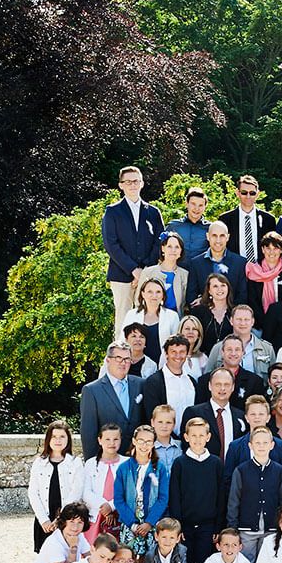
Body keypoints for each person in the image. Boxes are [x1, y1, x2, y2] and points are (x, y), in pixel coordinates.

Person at [102, 165, 165, 335]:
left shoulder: (153, 212)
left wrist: (143, 271)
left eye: (136, 181)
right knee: (123, 319)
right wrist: (133, 270)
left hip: (148, 274)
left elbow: (159, 242)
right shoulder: (112, 212)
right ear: (121, 185)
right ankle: (121, 357)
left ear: (142, 183)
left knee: (146, 318)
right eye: (128, 182)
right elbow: (111, 244)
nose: (132, 185)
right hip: (121, 274)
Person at [227, 427, 282, 563]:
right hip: (247, 529)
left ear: (272, 445)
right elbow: (234, 501)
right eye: (257, 443)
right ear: (250, 445)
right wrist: (233, 527)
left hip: (271, 528)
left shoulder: (279, 471)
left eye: (265, 443)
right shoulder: (241, 470)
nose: (261, 446)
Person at [167, 417, 223, 563]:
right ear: (186, 437)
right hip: (185, 527)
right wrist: (178, 527)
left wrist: (217, 527)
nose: (197, 439)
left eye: (201, 435)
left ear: (208, 437)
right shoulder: (180, 463)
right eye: (193, 435)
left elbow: (221, 497)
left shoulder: (216, 463)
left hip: (208, 527)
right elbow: (175, 496)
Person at [79, 342, 145, 460]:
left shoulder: (141, 384)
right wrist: (93, 464)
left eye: (126, 359)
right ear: (108, 360)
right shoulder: (92, 390)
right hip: (108, 460)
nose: (123, 363)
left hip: (138, 458)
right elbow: (88, 433)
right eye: (118, 358)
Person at [113, 424, 169, 557]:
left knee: (150, 559)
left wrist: (149, 522)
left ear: (153, 444)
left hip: (152, 521)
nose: (144, 445)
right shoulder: (124, 468)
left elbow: (163, 498)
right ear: (134, 441)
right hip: (129, 520)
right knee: (127, 557)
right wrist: (132, 524)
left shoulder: (159, 468)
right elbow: (119, 499)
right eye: (141, 441)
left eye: (149, 442)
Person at [29, 420, 84, 554]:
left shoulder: (75, 463)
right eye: (54, 437)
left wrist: (60, 519)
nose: (58, 440)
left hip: (67, 518)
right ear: (48, 439)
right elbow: (33, 492)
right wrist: (44, 520)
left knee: (66, 555)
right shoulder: (39, 463)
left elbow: (76, 491)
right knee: (46, 557)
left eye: (62, 437)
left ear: (68, 439)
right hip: (45, 518)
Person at [81, 423, 127, 545]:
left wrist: (111, 506)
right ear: (99, 440)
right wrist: (103, 506)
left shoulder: (127, 463)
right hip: (97, 514)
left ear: (121, 440)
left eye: (116, 439)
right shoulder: (91, 464)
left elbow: (128, 490)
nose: (112, 443)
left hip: (120, 515)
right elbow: (86, 491)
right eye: (107, 439)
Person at [185, 221, 248, 308]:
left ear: (228, 237)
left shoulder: (240, 263)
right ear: (208, 236)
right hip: (204, 315)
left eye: (222, 236)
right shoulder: (196, 263)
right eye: (214, 236)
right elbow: (191, 297)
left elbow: (242, 296)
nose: (218, 240)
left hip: (232, 315)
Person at [197, 334, 267, 411]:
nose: (233, 353)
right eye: (229, 349)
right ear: (222, 353)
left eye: (237, 350)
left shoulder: (255, 382)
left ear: (243, 353)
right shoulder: (204, 381)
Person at [218, 174, 277, 263]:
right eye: (244, 192)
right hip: (234, 270)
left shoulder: (268, 220)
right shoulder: (225, 219)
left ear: (257, 194)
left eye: (252, 193)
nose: (248, 196)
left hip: (261, 271)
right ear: (238, 193)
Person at [205, 304, 275, 378]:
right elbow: (208, 377)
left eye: (246, 319)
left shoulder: (267, 349)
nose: (243, 323)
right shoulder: (218, 348)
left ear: (252, 322)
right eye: (239, 319)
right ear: (231, 321)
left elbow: (274, 377)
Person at [135, 231, 188, 316]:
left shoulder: (185, 275)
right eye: (169, 246)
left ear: (181, 251)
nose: (173, 250)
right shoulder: (148, 272)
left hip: (176, 320)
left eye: (177, 247)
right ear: (163, 248)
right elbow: (138, 301)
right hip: (150, 319)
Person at [242, 230, 282, 322]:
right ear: (263, 249)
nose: (271, 252)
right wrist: (264, 321)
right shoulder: (254, 270)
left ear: (281, 250)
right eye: (268, 248)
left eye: (275, 248)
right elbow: (252, 300)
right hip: (258, 322)